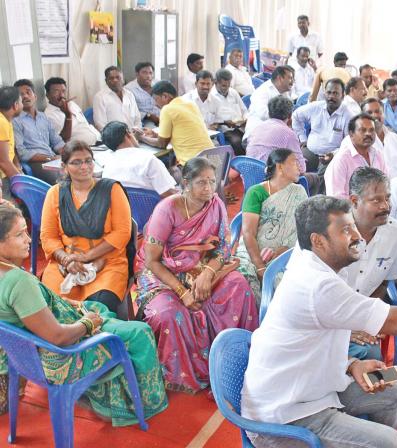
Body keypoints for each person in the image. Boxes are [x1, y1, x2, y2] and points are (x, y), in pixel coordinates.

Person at [240, 196, 397, 448]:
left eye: (352, 226)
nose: (357, 236)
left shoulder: (312, 260)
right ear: (318, 241)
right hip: (286, 416)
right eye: (345, 230)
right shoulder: (317, 284)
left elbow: (310, 342)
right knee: (390, 442)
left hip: (312, 390)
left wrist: (351, 365)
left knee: (393, 388)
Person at [0, 204, 168, 424]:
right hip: (57, 359)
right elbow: (58, 337)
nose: (29, 239)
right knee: (140, 332)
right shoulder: (18, 281)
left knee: (100, 308)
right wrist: (88, 323)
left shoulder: (9, 273)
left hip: (22, 356)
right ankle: (142, 403)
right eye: (19, 234)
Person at [136, 157, 258, 392]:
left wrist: (207, 273)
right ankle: (194, 373)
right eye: (202, 183)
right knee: (169, 314)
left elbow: (223, 247)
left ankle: (234, 358)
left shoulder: (216, 204)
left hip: (200, 266)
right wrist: (182, 292)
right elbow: (152, 260)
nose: (209, 189)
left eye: (212, 182)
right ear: (186, 183)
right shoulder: (167, 209)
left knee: (238, 286)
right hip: (163, 271)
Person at [40, 142, 132, 309]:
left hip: (107, 262)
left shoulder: (112, 190)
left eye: (88, 161)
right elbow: (48, 236)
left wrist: (85, 258)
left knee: (97, 309)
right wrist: (66, 260)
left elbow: (122, 233)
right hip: (65, 263)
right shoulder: (55, 193)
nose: (84, 166)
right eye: (76, 162)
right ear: (64, 167)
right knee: (50, 306)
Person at [339, 167, 397, 360]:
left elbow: (385, 283)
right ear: (354, 201)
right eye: (376, 200)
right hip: (321, 319)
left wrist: (367, 317)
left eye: (387, 198)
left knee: (372, 357)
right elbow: (314, 296)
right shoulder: (331, 231)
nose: (385, 206)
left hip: (359, 312)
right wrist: (343, 331)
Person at [235, 149, 307, 300]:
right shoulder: (256, 193)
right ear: (280, 167)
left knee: (292, 283)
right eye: (294, 162)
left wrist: (283, 251)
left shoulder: (299, 192)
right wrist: (260, 266)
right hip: (253, 251)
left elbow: (304, 229)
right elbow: (248, 233)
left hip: (286, 252)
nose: (299, 167)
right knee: (242, 277)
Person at [138, 81, 214, 166]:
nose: (155, 104)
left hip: (195, 166)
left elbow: (161, 144)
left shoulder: (167, 109)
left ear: (165, 96)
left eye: (156, 99)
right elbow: (181, 135)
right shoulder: (190, 104)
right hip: (213, 160)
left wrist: (141, 138)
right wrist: (155, 134)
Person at [100, 121, 177, 198]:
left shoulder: (107, 167)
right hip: (154, 208)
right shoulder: (148, 159)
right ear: (128, 133)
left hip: (127, 209)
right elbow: (168, 193)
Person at [292, 78, 352, 173]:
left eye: (335, 93)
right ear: (324, 94)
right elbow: (295, 116)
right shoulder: (316, 107)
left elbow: (349, 143)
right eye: (329, 92)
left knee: (324, 175)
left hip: (332, 156)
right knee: (293, 168)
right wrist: (302, 137)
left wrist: (333, 154)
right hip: (310, 151)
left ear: (342, 96)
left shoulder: (348, 115)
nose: (331, 97)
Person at [11, 79, 65, 185]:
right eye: (21, 94)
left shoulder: (43, 117)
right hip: (36, 162)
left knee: (81, 169)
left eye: (28, 92)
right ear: (16, 100)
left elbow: (57, 142)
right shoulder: (15, 121)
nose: (25, 96)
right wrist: (50, 158)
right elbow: (22, 152)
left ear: (35, 96)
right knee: (60, 181)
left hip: (53, 159)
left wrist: (69, 154)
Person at [324, 114, 387, 199]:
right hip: (350, 210)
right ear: (351, 134)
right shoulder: (341, 160)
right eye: (363, 130)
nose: (368, 134)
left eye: (371, 130)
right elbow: (336, 199)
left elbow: (386, 186)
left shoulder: (378, 155)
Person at [246, 96, 304, 169]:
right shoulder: (289, 134)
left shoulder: (256, 129)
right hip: (272, 177)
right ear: (290, 115)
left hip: (251, 177)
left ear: (269, 113)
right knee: (314, 177)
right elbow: (301, 168)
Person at [362, 98, 397, 179]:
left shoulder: (396, 139)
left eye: (378, 111)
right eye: (369, 113)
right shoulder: (358, 141)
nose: (374, 115)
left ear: (384, 113)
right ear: (362, 117)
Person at [43, 77, 101, 146]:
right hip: (81, 149)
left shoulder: (71, 104)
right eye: (56, 91)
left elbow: (84, 124)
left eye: (63, 91)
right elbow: (62, 140)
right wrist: (68, 114)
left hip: (99, 141)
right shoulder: (49, 116)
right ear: (47, 95)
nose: (61, 95)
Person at [244, 65, 294, 139]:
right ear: (280, 78)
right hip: (257, 135)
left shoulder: (285, 92)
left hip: (276, 133)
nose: (292, 82)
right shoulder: (262, 91)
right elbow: (263, 114)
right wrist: (284, 121)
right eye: (290, 78)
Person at [211, 68, 248, 155]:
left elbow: (244, 110)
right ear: (216, 82)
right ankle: (244, 162)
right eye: (223, 86)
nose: (226, 88)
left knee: (255, 136)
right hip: (226, 129)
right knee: (237, 142)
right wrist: (224, 122)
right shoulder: (210, 97)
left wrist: (246, 119)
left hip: (241, 126)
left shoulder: (233, 92)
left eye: (228, 85)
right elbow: (210, 119)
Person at [92, 66, 141, 131]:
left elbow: (137, 118)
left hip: (132, 135)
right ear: (106, 81)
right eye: (111, 78)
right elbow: (100, 124)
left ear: (123, 80)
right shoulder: (100, 97)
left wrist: (136, 131)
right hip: (113, 137)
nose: (115, 80)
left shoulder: (130, 95)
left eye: (118, 77)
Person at [0, 87, 21, 198]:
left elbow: (9, 151)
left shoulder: (6, 120)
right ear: (15, 105)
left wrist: (17, 167)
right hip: (2, 178)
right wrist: (22, 182)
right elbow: (3, 162)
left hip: (5, 175)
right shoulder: (1, 122)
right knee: (8, 213)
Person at [125, 62, 160, 127]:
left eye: (150, 73)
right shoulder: (128, 89)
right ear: (137, 74)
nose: (148, 76)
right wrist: (148, 115)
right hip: (145, 120)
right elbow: (129, 111)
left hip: (162, 116)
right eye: (144, 73)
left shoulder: (158, 84)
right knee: (153, 131)